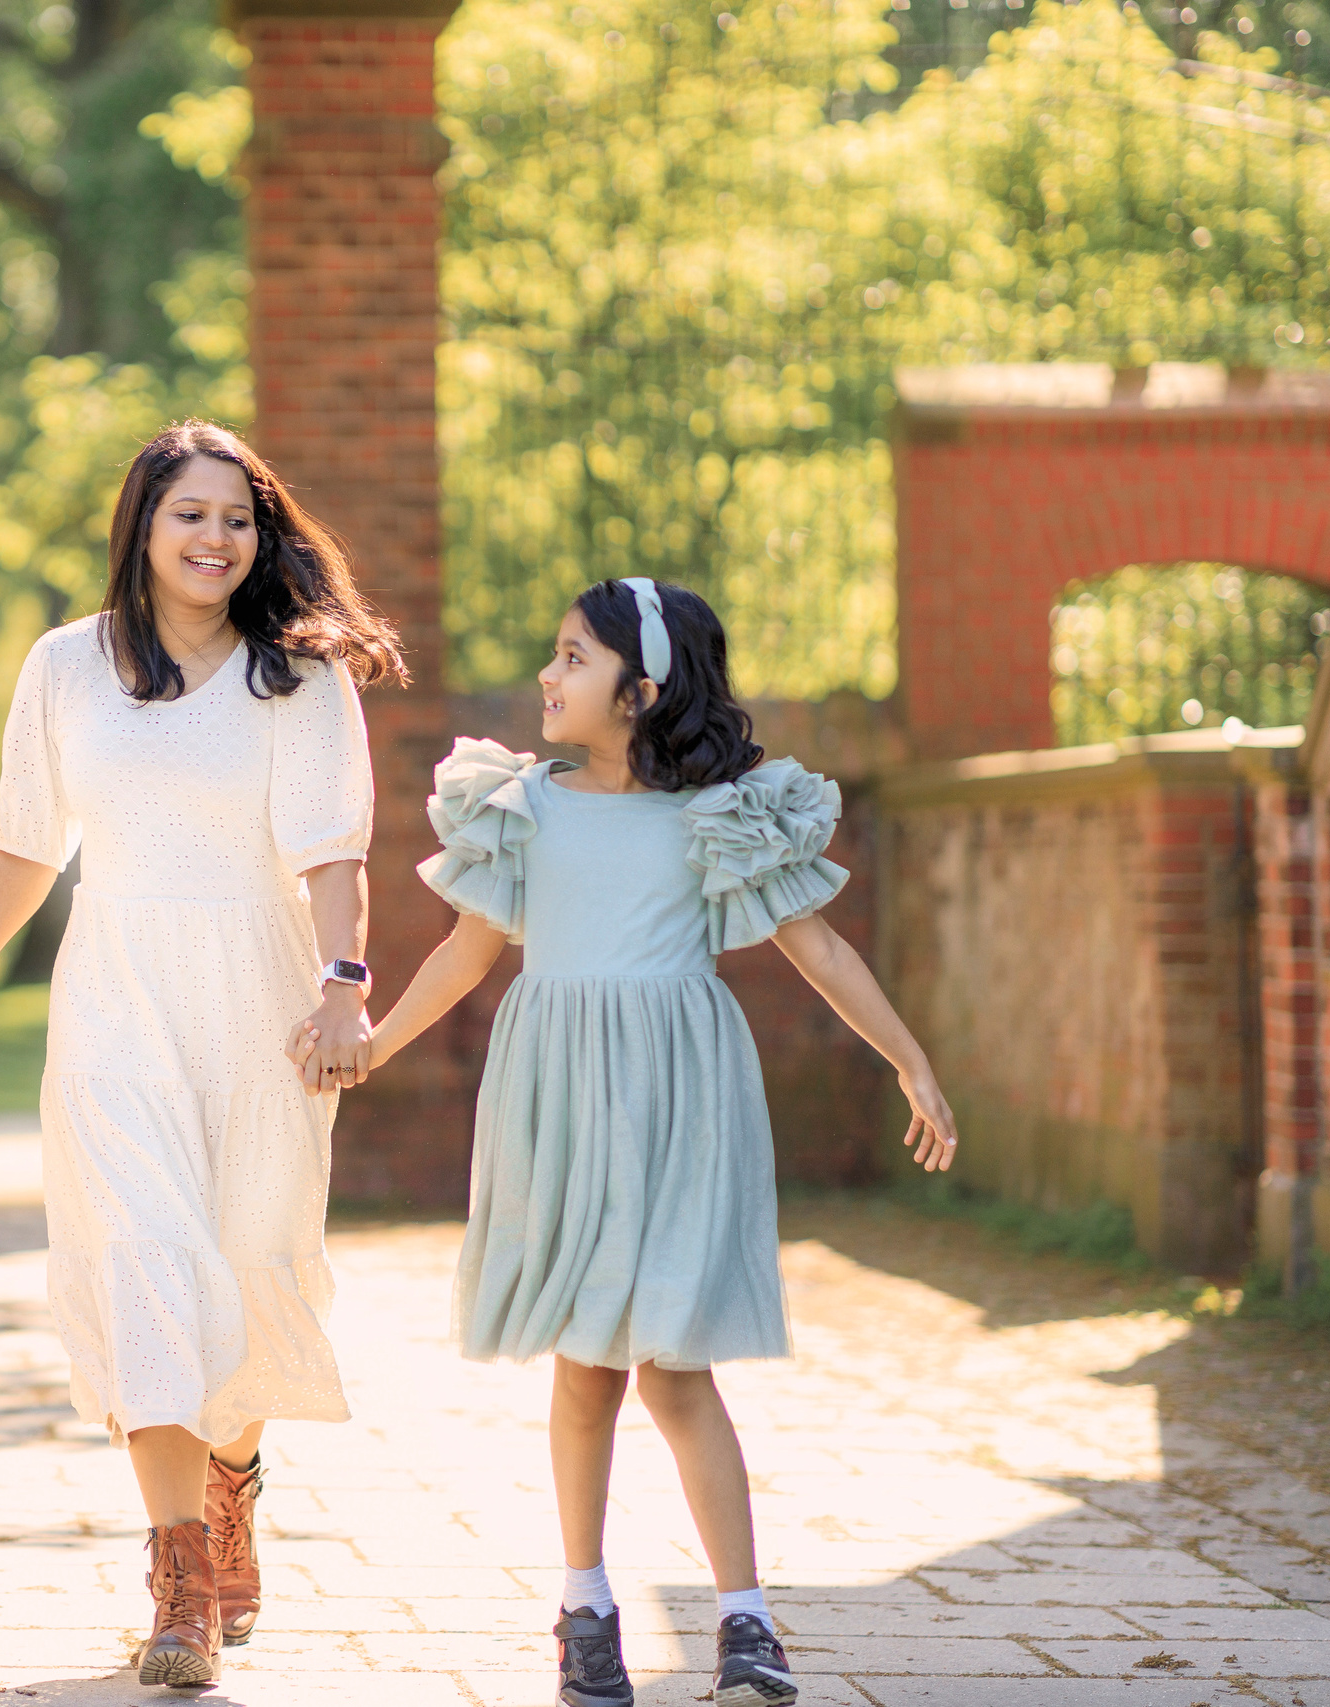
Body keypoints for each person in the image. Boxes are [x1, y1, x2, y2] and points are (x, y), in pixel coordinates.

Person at [345, 578, 961, 1707]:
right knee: (586, 1367)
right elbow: (465, 956)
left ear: (641, 688)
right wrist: (371, 1051)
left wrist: (906, 1058)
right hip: (564, 1096)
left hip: (680, 1093)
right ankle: (584, 1605)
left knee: (678, 1367)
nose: (546, 673)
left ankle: (745, 1620)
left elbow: (815, 949)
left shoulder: (717, 810)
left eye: (571, 657)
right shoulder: (521, 804)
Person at [0, 421, 403, 1688]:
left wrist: (346, 988)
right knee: (143, 1261)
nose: (216, 538)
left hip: (262, 1001)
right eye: (190, 513)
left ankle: (232, 1473)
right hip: (114, 999)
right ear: (142, 524)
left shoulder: (299, 678)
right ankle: (179, 1574)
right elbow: (30, 845)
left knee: (244, 1268)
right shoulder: (64, 668)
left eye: (238, 518)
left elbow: (331, 855)